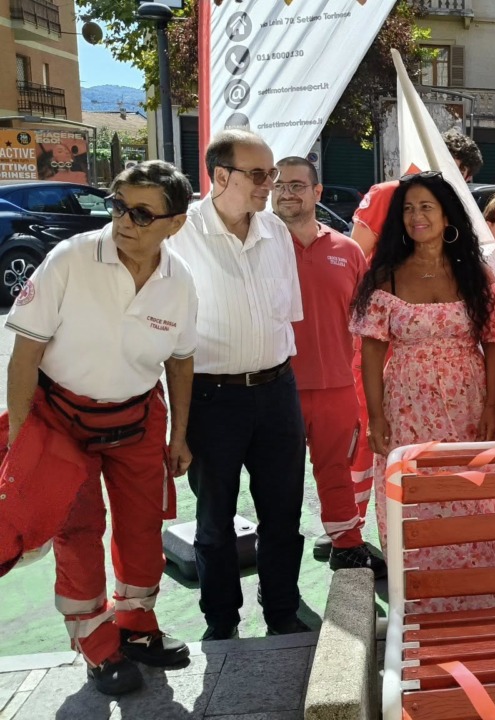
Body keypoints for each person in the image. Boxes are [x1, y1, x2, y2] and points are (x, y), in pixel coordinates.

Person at [2, 161, 195, 695]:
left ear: (174, 223)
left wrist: (178, 436)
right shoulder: (70, 258)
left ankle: (135, 626)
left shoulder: (180, 281)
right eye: (117, 205)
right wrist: (23, 444)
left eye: (141, 212)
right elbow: (24, 357)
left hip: (136, 416)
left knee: (140, 526)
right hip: (61, 419)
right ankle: (94, 641)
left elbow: (180, 362)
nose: (123, 221)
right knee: (78, 530)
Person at [350, 171, 495, 612]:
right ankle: (430, 603)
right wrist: (376, 417)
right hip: (408, 410)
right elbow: (372, 353)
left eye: (426, 207)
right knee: (421, 503)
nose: (416, 217)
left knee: (477, 498)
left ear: (447, 214)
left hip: (472, 407)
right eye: (408, 209)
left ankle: (487, 601)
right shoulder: (386, 277)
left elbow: (494, 341)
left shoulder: (475, 274)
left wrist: (491, 406)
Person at [167, 129, 309, 640]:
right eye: (257, 174)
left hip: (276, 393)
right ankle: (221, 622)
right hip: (211, 399)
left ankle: (282, 614)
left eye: (270, 174)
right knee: (213, 522)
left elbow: (285, 319)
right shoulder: (178, 234)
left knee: (282, 515)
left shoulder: (276, 234)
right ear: (219, 176)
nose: (269, 185)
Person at [271, 157, 384, 578]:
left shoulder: (348, 250)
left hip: (337, 385)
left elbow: (367, 321)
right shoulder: (257, 246)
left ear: (317, 193)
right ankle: (279, 577)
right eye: (280, 184)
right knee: (278, 486)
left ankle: (348, 547)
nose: (287, 191)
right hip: (274, 388)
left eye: (298, 184)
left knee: (336, 472)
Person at [350, 129, 485, 256]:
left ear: (466, 179)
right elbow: (355, 259)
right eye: (443, 167)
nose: (446, 177)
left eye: (457, 173)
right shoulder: (386, 194)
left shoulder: (461, 209)